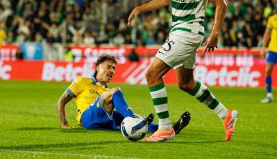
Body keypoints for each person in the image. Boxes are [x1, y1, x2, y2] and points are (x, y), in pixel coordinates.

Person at [127, 0, 238, 142]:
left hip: (187, 33)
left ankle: (165, 128)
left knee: (152, 75)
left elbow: (221, 3)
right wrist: (140, 8)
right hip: (178, 32)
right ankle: (226, 114)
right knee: (186, 83)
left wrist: (214, 34)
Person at [57, 54, 190, 135]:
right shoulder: (82, 81)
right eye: (108, 67)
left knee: (120, 117)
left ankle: (169, 129)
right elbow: (61, 101)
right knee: (116, 92)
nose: (112, 71)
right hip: (87, 118)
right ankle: (135, 119)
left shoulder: (106, 92)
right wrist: (64, 123)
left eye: (114, 68)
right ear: (97, 67)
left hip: (105, 120)